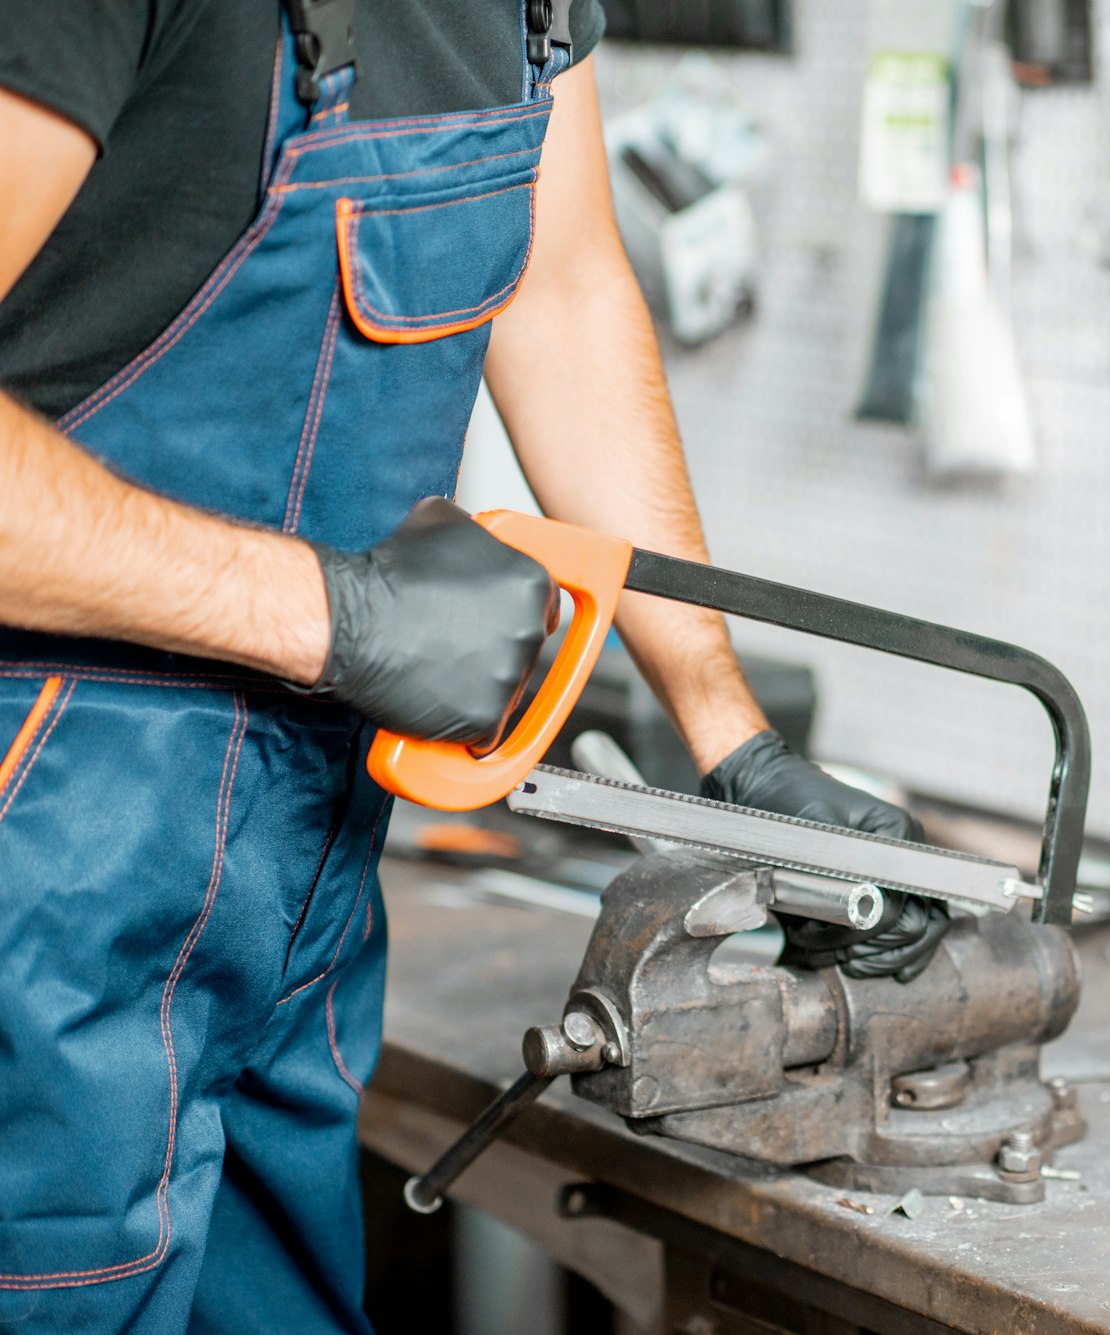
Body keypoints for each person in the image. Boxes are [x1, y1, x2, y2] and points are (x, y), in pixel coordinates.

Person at [0, 3, 946, 1329]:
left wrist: (733, 745)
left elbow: (564, 291)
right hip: (46, 850)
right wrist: (335, 617)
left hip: (303, 846)